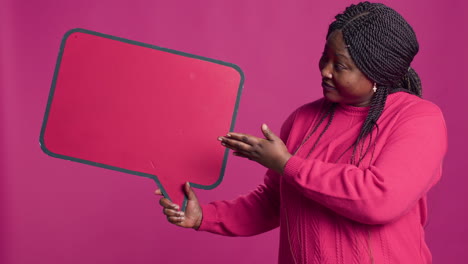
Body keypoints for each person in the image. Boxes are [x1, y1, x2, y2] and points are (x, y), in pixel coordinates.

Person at [155, 2, 447, 263]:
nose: (325, 71)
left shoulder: (418, 119)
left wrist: (286, 163)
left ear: (377, 73)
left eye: (340, 65)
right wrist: (204, 216)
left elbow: (380, 200)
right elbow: (274, 203)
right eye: (325, 57)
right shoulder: (302, 120)